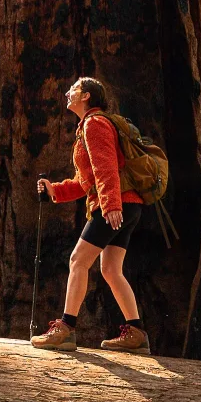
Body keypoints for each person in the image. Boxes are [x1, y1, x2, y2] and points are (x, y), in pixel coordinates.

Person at [31, 77, 149, 355]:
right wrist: (55, 190)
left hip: (116, 205)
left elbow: (106, 166)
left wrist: (109, 205)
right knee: (110, 269)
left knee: (78, 260)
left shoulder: (94, 124)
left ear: (85, 96)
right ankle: (137, 333)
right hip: (127, 205)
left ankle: (66, 329)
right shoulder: (90, 127)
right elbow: (86, 182)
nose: (66, 93)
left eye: (72, 90)